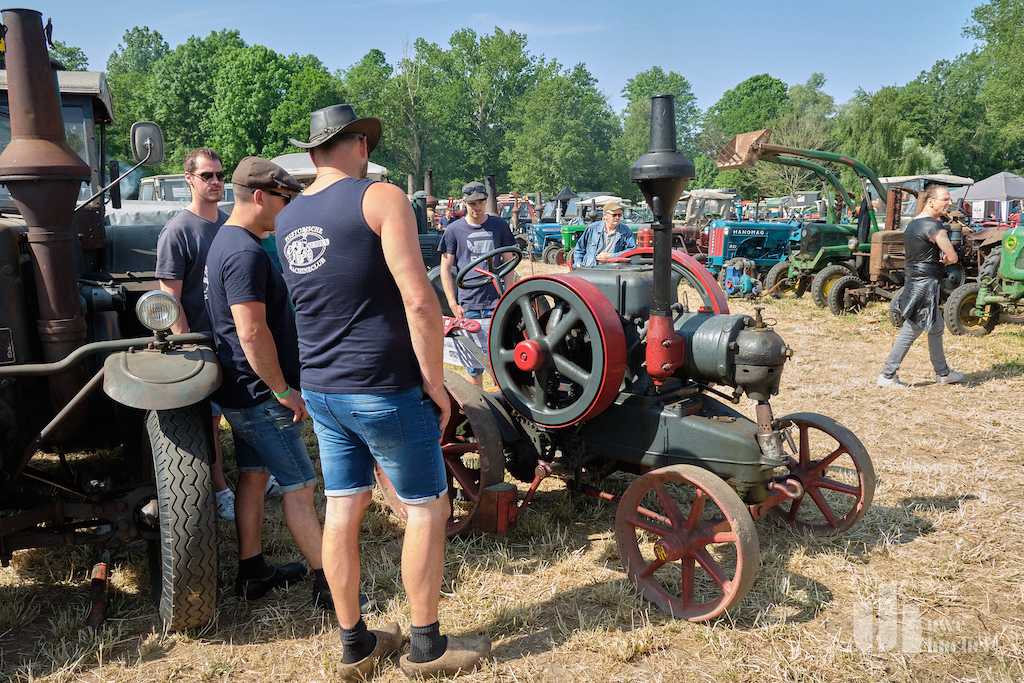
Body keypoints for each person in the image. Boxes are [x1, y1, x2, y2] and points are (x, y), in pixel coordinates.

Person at [277, 104, 491, 680]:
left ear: (313, 152)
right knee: (426, 507)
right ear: (360, 146)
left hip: (322, 386)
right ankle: (426, 647)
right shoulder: (380, 198)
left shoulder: (287, 217)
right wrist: (434, 383)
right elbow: (421, 301)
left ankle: (355, 645)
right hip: (383, 385)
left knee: (343, 505)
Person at [203, 156, 337, 609]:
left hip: (242, 391)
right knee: (300, 486)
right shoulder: (243, 252)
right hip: (260, 394)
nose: (290, 209)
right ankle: (329, 583)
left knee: (254, 477)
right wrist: (282, 389)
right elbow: (251, 331)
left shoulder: (229, 240)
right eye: (285, 199)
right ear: (259, 197)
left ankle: (252, 571)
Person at [154, 147, 237, 517]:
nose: (216, 181)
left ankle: (253, 475)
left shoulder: (230, 223)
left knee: (245, 411)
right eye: (208, 176)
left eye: (220, 175)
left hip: (236, 338)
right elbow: (169, 301)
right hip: (203, 342)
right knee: (211, 420)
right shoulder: (177, 231)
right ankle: (219, 490)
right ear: (189, 179)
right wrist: (190, 348)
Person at [878, 186, 966, 388]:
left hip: (914, 279)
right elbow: (952, 257)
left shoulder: (913, 224)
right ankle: (887, 375)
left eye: (949, 199)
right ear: (931, 201)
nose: (949, 203)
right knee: (911, 329)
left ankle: (943, 373)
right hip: (926, 284)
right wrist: (945, 259)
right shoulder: (935, 228)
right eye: (945, 199)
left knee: (936, 327)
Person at [438, 182, 516, 388]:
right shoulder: (454, 230)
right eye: (472, 203)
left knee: (502, 360)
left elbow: (509, 264)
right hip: (469, 306)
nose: (477, 207)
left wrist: (506, 297)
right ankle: (481, 408)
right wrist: (453, 304)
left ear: (486, 202)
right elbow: (444, 269)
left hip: (496, 303)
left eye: (481, 202)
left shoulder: (499, 226)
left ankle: (506, 405)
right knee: (474, 366)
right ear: (464, 203)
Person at [572, 201, 637, 268]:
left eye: (619, 215)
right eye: (614, 215)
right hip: (591, 269)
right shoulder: (593, 228)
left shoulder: (625, 231)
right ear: (605, 215)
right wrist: (578, 264)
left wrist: (611, 257)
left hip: (613, 270)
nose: (617, 217)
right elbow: (579, 248)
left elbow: (632, 250)